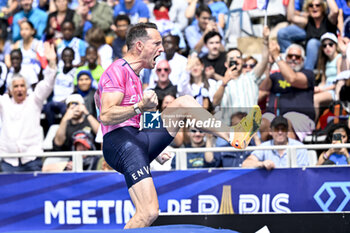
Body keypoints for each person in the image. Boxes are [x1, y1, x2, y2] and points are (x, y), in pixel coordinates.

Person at [95, 23, 262, 228]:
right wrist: (140, 106)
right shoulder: (117, 70)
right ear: (139, 46)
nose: (162, 49)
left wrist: (154, 150)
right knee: (148, 212)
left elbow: (134, 121)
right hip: (121, 143)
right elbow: (105, 115)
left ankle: (235, 136)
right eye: (156, 43)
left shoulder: (135, 75)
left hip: (137, 140)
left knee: (184, 103)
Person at [0, 43, 57, 172]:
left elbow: (48, 83)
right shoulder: (4, 102)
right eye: (16, 86)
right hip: (8, 159)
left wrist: (52, 62)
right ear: (10, 90)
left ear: (27, 88)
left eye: (22, 86)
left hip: (31, 158)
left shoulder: (34, 100)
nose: (19, 89)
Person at [212, 26, 270, 126]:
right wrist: (224, 84)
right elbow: (215, 102)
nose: (235, 60)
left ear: (242, 61)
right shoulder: (219, 84)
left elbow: (264, 60)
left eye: (238, 57)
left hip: (251, 128)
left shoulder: (251, 77)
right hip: (228, 130)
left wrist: (265, 40)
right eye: (232, 58)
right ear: (226, 64)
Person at [259, 42, 315, 142]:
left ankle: (287, 156)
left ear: (302, 60)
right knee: (262, 122)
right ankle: (262, 154)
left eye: (297, 57)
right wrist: (269, 64)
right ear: (285, 59)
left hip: (299, 117)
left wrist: (276, 56)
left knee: (285, 121)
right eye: (290, 56)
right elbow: (263, 87)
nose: (293, 58)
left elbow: (292, 79)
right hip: (273, 115)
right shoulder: (276, 76)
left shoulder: (308, 74)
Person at [280, 0, 339, 70]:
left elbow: (335, 11)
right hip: (310, 58)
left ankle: (307, 74)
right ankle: (288, 66)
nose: (314, 7)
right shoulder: (308, 21)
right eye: (311, 6)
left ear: (322, 7)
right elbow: (290, 17)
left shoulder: (329, 20)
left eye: (318, 5)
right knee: (282, 33)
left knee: (312, 43)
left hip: (326, 57)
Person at [242, 116, 309, 170]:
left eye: (283, 129)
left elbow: (303, 172)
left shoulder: (299, 147)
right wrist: (262, 164)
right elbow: (245, 164)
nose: (280, 132)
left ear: (288, 131)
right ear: (270, 131)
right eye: (276, 129)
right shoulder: (264, 147)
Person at [44, 47, 76, 126]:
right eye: (65, 56)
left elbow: (75, 90)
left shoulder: (75, 72)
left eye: (70, 56)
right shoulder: (58, 70)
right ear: (61, 57)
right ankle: (50, 131)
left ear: (73, 57)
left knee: (65, 110)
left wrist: (66, 100)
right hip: (54, 101)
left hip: (67, 103)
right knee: (47, 107)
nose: (67, 58)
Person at [314, 32, 341, 121]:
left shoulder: (339, 58)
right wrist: (317, 88)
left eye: (330, 44)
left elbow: (339, 83)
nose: (327, 47)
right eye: (324, 46)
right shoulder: (325, 62)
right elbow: (323, 82)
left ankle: (311, 127)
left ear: (336, 45)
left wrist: (322, 90)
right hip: (326, 89)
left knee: (315, 99)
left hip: (335, 91)